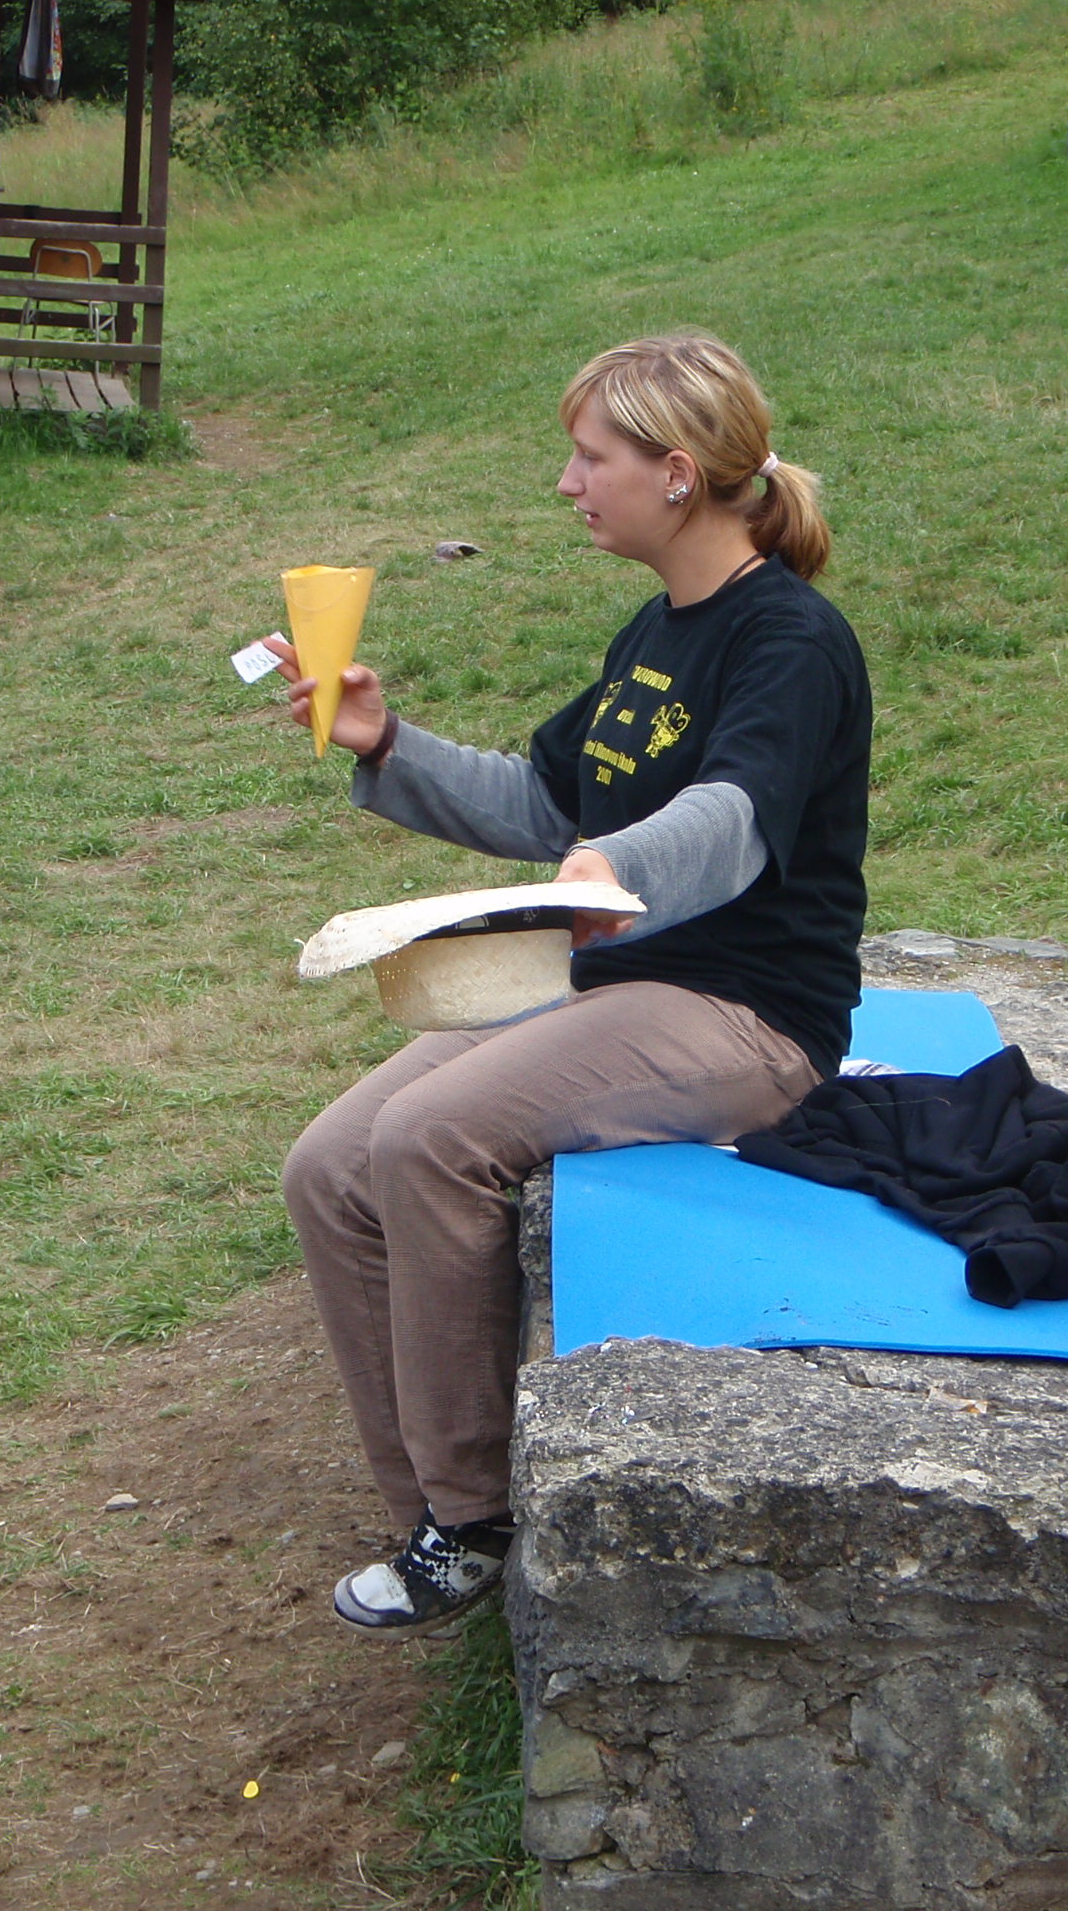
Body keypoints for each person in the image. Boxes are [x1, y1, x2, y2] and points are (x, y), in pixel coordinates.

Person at [274, 332, 870, 1635]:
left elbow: (736, 818)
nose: (567, 483)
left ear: (677, 472)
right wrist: (385, 741)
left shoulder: (791, 641)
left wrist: (617, 869)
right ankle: (425, 1504)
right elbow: (545, 800)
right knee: (331, 1166)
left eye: (591, 458)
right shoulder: (655, 632)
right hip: (616, 993)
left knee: (430, 1138)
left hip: (747, 1016)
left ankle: (473, 1519)